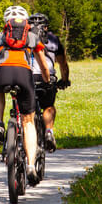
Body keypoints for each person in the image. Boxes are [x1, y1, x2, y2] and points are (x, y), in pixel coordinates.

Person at [0, 5, 53, 183]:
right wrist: (46, 79)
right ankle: (30, 164)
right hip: (24, 76)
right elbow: (43, 65)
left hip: (2, 74)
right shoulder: (32, 37)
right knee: (28, 121)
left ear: (7, 22)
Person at [28, 12, 70, 152]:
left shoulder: (23, 38)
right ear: (46, 27)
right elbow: (63, 63)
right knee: (48, 106)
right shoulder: (53, 39)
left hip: (26, 77)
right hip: (46, 78)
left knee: (27, 110)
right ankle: (49, 132)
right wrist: (65, 80)